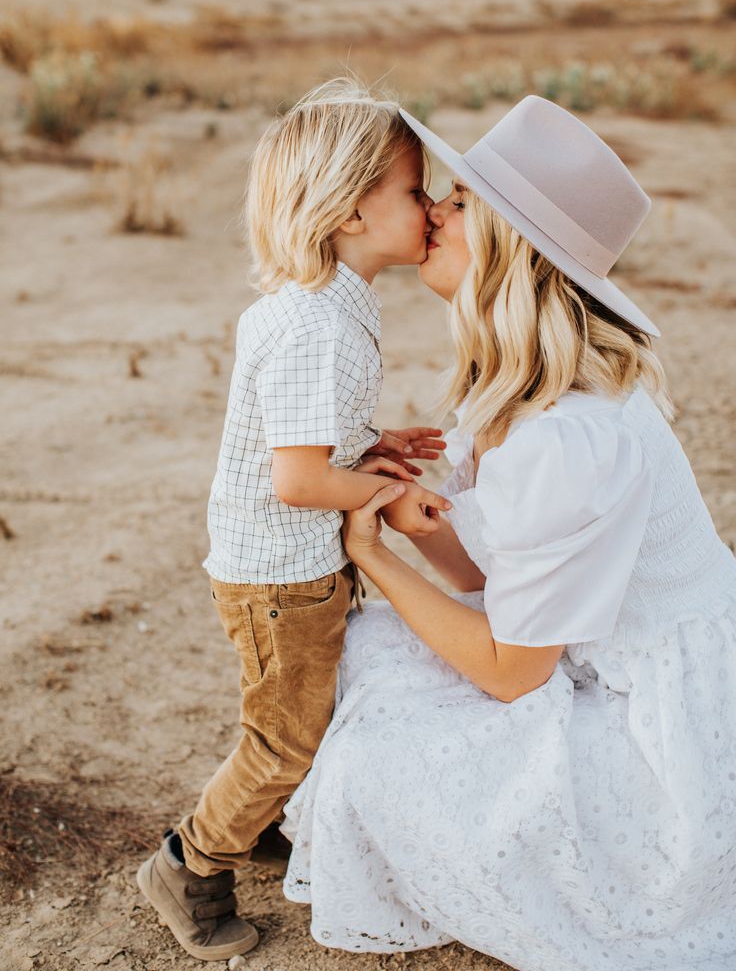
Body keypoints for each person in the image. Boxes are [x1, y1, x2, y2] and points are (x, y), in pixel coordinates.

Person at [280, 96, 736, 970]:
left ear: (510, 250)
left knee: (381, 758)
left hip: (669, 731)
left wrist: (370, 548)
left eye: (459, 204)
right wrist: (414, 519)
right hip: (595, 654)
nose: (436, 213)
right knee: (370, 654)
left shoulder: (570, 437)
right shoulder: (523, 381)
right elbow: (497, 580)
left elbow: (512, 671)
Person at [136, 78, 451, 962]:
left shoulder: (320, 304)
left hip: (287, 563)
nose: (429, 206)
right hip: (281, 573)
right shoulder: (320, 328)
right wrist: (383, 490)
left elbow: (308, 442)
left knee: (300, 712)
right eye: (413, 191)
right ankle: (191, 865)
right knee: (282, 737)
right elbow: (301, 481)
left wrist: (371, 442)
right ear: (353, 211)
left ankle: (263, 821)